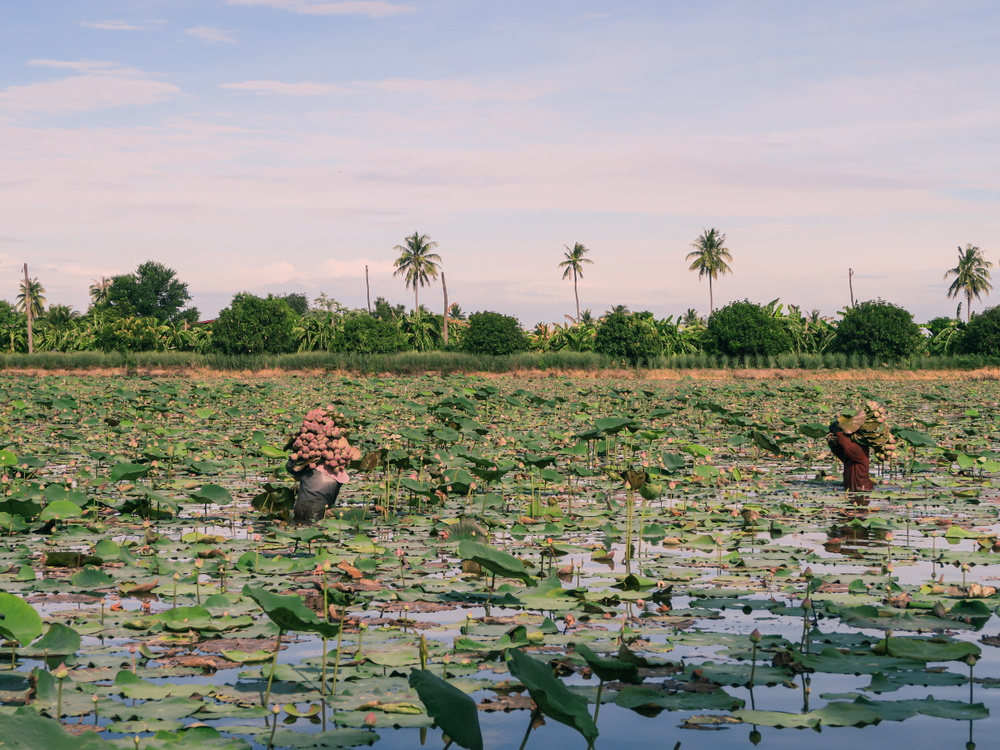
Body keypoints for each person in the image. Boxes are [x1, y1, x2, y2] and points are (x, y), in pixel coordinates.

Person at [827, 415, 873, 492]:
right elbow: (840, 452)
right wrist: (832, 439)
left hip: (862, 490)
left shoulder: (860, 448)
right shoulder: (850, 454)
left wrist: (838, 433)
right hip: (851, 489)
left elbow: (848, 447)